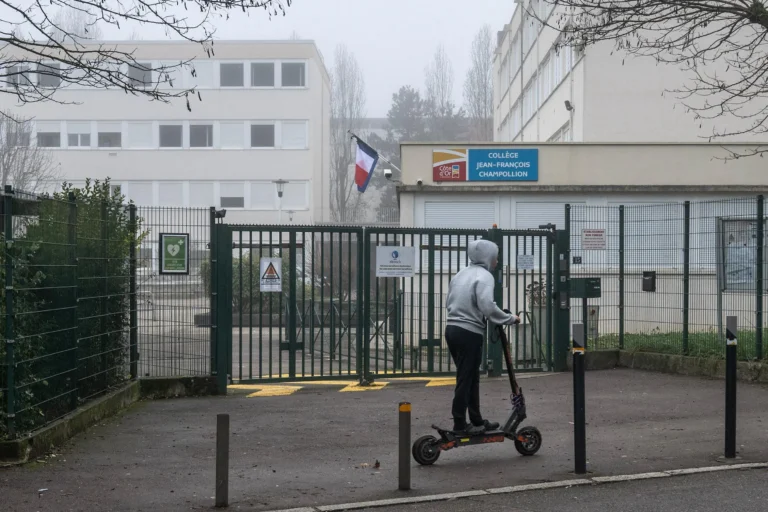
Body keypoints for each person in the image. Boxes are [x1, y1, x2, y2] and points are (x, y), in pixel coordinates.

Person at [444, 239, 520, 434]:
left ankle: (476, 419)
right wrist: (509, 318)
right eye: (495, 258)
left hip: (452, 328)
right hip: (469, 332)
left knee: (470, 376)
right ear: (488, 257)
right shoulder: (485, 276)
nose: (496, 262)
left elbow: (449, 300)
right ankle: (460, 423)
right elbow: (487, 306)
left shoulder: (461, 274)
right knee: (466, 377)